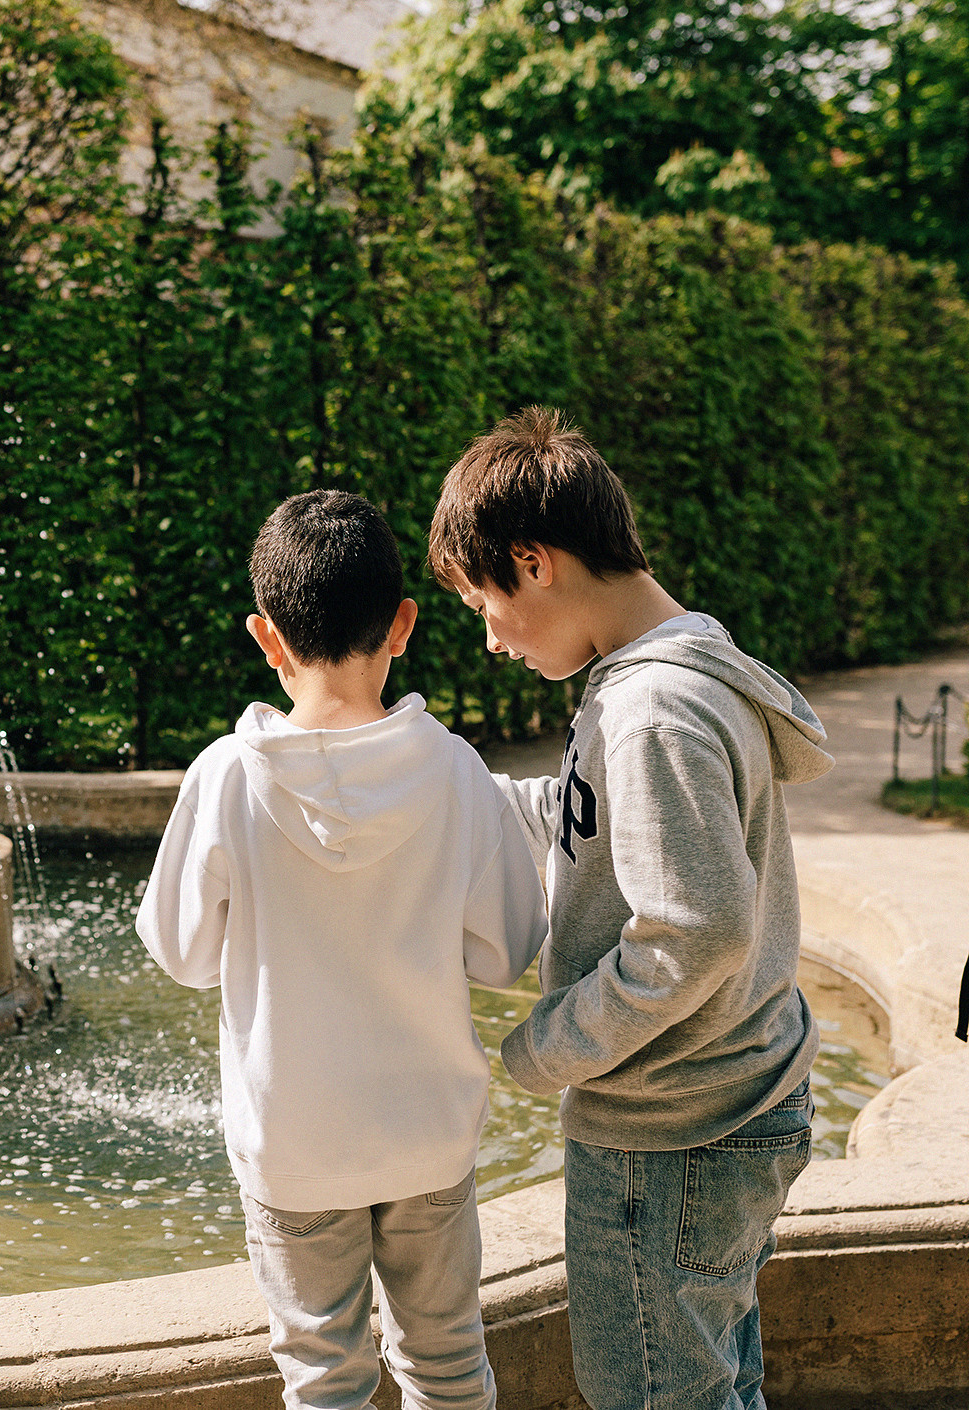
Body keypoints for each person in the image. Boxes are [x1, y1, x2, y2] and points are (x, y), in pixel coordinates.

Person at [427, 407, 834, 1410]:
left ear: (531, 562)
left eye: (481, 601)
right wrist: (422, 783)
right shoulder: (662, 675)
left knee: (652, 1393)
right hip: (726, 1111)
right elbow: (580, 817)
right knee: (711, 1384)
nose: (487, 639)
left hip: (672, 1137)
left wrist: (542, 1049)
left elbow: (695, 929)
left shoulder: (650, 710)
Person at [137, 489, 549, 1410]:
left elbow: (179, 951)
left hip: (295, 1144)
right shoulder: (452, 770)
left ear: (264, 636)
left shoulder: (225, 777)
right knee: (447, 1365)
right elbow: (510, 948)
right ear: (403, 623)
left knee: (324, 1376)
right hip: (427, 1134)